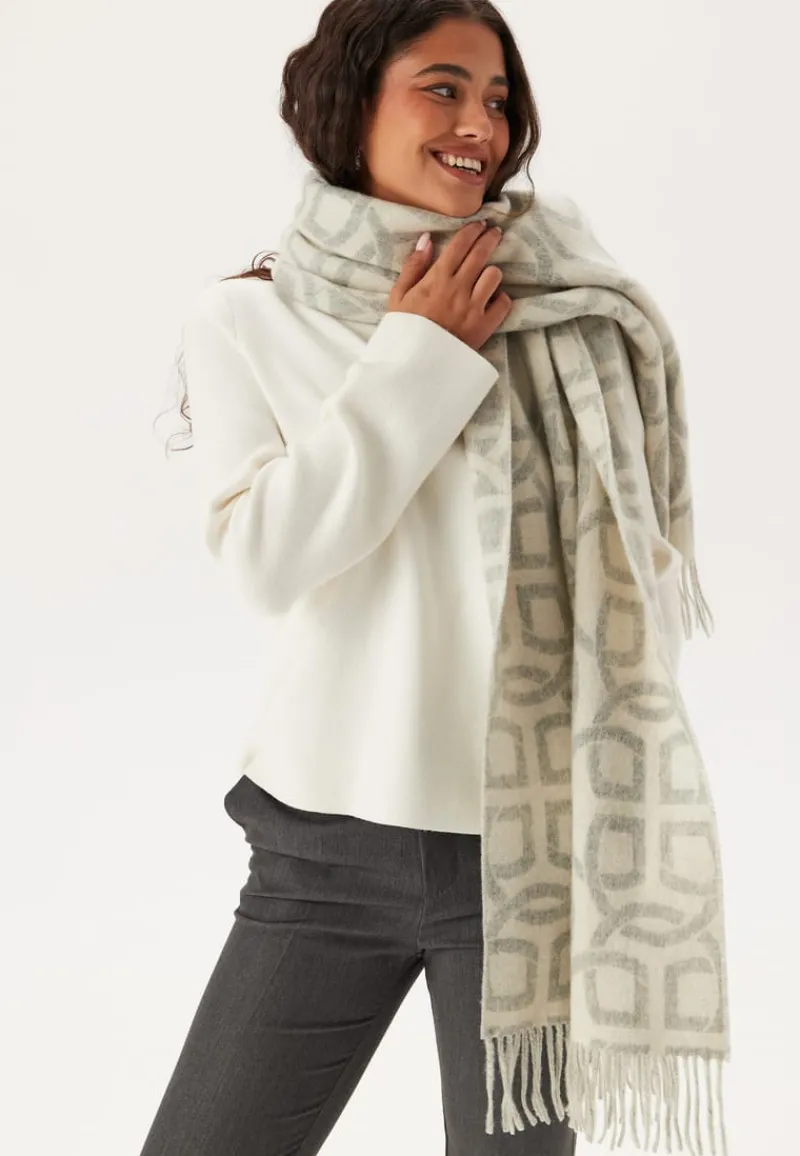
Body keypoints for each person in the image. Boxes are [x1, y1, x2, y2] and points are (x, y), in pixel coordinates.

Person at [141, 2, 690, 1153]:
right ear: (349, 101)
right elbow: (266, 559)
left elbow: (630, 583)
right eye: (441, 88)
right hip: (323, 847)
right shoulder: (248, 317)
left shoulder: (565, 312)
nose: (478, 124)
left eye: (496, 98)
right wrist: (418, 354)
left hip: (529, 859)